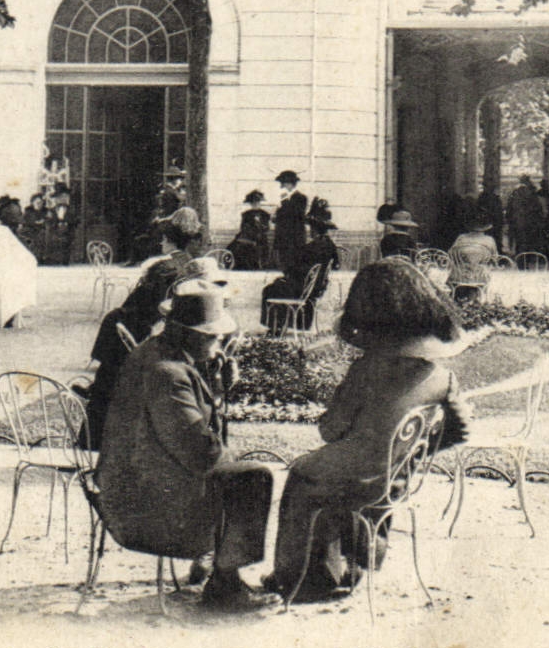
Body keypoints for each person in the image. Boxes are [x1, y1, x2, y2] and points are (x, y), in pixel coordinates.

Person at [265, 259, 471, 602]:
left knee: (303, 475)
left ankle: (301, 577)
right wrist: (414, 452)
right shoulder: (442, 377)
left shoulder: (365, 371)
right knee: (333, 476)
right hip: (397, 478)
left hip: (357, 477)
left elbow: (330, 431)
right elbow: (460, 430)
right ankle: (359, 563)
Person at [93, 280, 279, 612]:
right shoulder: (168, 375)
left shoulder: (156, 352)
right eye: (213, 335)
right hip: (145, 510)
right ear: (189, 334)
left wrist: (217, 390)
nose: (220, 341)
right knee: (254, 477)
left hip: (135, 487)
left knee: (235, 474)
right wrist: (225, 439)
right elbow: (201, 454)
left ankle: (217, 561)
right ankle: (227, 585)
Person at [83, 206, 204, 448]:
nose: (161, 243)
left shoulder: (162, 267)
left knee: (114, 322)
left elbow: (139, 304)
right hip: (166, 327)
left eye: (164, 239)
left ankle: (94, 426)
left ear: (170, 240)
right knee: (115, 321)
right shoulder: (190, 266)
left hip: (144, 329)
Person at [261, 199, 338, 333]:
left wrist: (289, 270)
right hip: (315, 287)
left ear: (315, 229)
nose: (309, 231)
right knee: (279, 284)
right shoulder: (330, 245)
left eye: (311, 228)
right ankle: (284, 324)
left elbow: (297, 267)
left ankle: (277, 327)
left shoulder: (313, 247)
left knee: (271, 289)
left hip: (303, 288)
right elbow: (336, 265)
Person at [445, 213, 499, 303]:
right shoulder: (489, 240)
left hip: (459, 275)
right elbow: (494, 258)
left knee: (461, 270)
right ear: (485, 229)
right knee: (484, 269)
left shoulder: (461, 237)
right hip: (479, 275)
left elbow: (451, 254)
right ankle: (476, 299)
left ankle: (459, 298)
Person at [226, 190, 272, 270]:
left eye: (257, 202)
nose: (255, 204)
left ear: (260, 203)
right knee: (232, 246)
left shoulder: (264, 214)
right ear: (250, 204)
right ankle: (235, 265)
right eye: (253, 203)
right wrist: (247, 232)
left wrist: (259, 224)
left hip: (259, 237)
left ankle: (254, 265)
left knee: (253, 246)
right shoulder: (246, 214)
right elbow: (243, 227)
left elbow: (266, 228)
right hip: (247, 235)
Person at [272, 170, 309, 268]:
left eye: (283, 184)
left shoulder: (301, 198)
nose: (282, 186)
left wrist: (284, 203)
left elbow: (296, 215)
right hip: (283, 236)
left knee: (294, 262)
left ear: (290, 184)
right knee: (284, 261)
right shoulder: (283, 198)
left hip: (294, 237)